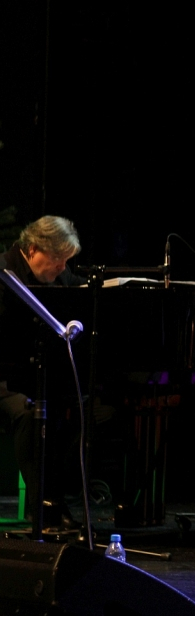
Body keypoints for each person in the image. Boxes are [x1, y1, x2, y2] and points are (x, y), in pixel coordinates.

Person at [0, 215, 87, 530]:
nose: (63, 267)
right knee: (29, 412)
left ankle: (58, 499)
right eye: (58, 259)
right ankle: (43, 508)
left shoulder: (60, 277)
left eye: (67, 261)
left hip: (41, 377)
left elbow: (83, 294)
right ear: (33, 249)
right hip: (5, 378)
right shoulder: (3, 273)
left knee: (85, 412)